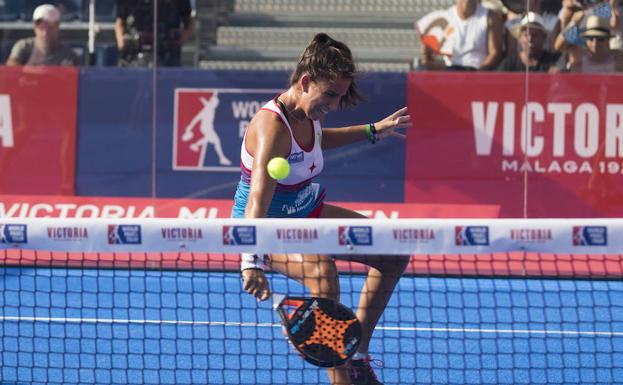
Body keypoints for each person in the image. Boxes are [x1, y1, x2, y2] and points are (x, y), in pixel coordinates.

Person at [233, 33, 411, 385]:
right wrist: (250, 260)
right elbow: (257, 200)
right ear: (305, 81)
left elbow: (319, 140)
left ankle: (356, 355)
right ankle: (340, 379)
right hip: (266, 227)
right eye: (329, 94)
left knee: (393, 253)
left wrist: (373, 130)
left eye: (339, 96)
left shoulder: (309, 111)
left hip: (305, 210)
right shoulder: (272, 127)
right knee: (323, 276)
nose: (333, 103)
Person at [419, 0, 504, 71]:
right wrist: (427, 59)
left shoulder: (490, 17)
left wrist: (477, 74)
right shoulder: (444, 19)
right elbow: (432, 58)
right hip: (451, 71)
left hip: (477, 70)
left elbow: (495, 53)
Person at [114, 0, 195, 67]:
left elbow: (189, 19)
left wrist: (182, 36)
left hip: (167, 52)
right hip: (133, 53)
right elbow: (119, 22)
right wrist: (121, 41)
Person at [5, 4, 79, 66]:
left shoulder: (69, 55)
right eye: (41, 26)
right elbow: (11, 70)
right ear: (34, 27)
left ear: (57, 27)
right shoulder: (23, 46)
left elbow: (70, 78)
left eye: (50, 27)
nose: (45, 32)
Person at [556, 14, 623, 71]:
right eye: (590, 38)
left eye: (600, 39)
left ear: (608, 39)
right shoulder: (578, 64)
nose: (595, 43)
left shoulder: (619, 61)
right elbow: (558, 46)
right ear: (585, 40)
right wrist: (574, 22)